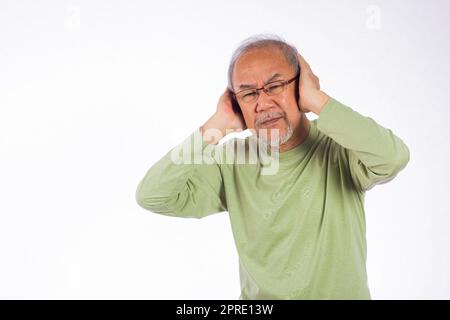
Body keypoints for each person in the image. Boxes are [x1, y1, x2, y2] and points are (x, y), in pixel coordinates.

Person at [135, 34, 410, 299]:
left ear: (301, 86)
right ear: (235, 102)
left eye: (275, 86)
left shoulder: (340, 147)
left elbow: (393, 157)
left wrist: (318, 100)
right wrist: (215, 126)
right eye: (249, 94)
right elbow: (153, 195)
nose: (263, 103)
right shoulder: (232, 160)